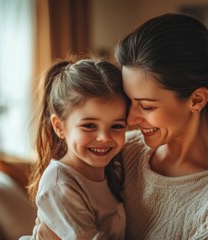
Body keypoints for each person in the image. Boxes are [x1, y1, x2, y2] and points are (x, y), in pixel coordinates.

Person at [36, 13, 208, 239]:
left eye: (147, 106)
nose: (129, 121)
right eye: (130, 102)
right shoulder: (123, 153)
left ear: (196, 100)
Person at [20, 58, 128, 240]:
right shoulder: (59, 185)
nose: (104, 138)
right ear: (59, 127)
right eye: (89, 126)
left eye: (117, 126)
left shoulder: (116, 170)